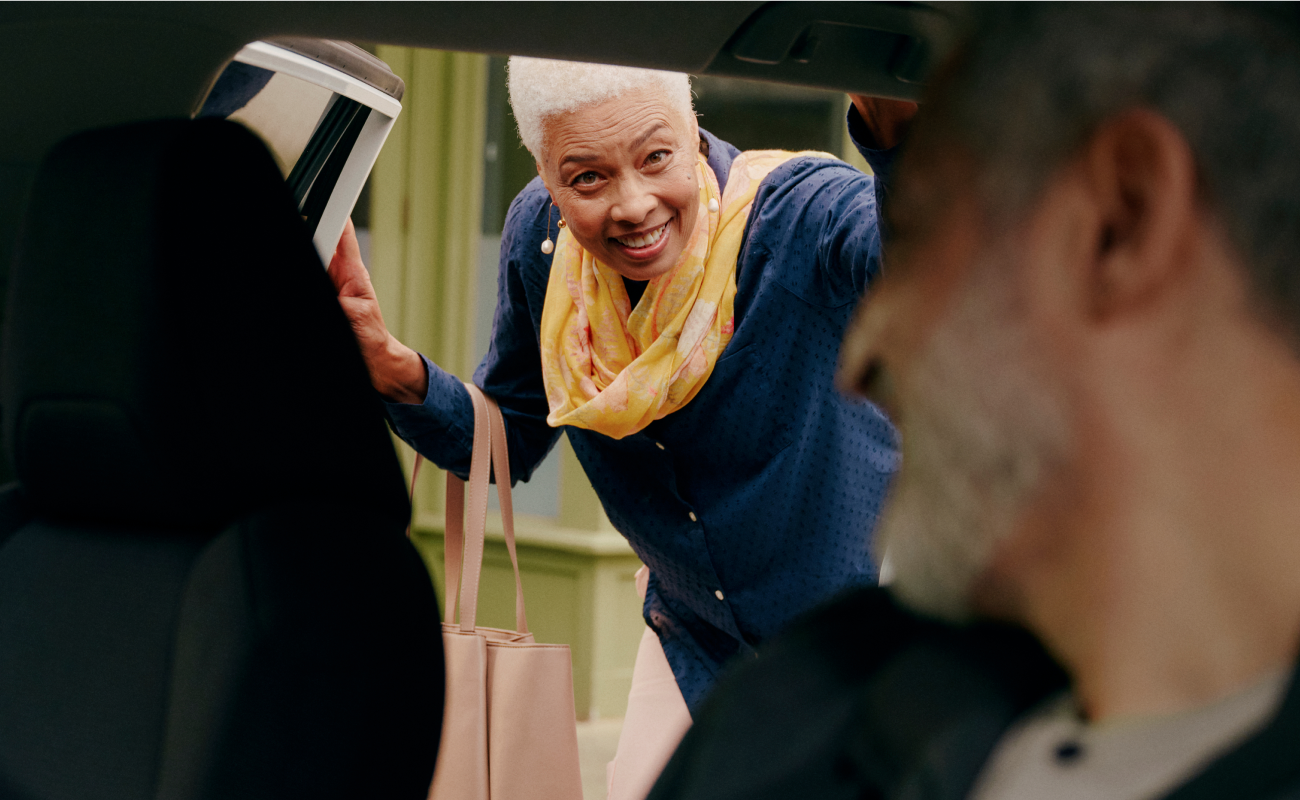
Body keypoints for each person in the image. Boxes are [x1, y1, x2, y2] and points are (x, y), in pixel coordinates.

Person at [648, 1, 1300, 798]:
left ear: (1119, 220)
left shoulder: (818, 704)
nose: (860, 363)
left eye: (922, 231)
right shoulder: (818, 704)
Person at [327, 56, 914, 799]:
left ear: (693, 131)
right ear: (545, 177)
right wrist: (390, 367)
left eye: (656, 157)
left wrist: (900, 133)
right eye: (587, 178)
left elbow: (921, 271)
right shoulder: (541, 244)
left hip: (856, 650)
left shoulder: (802, 214)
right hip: (692, 635)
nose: (633, 205)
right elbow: (505, 439)